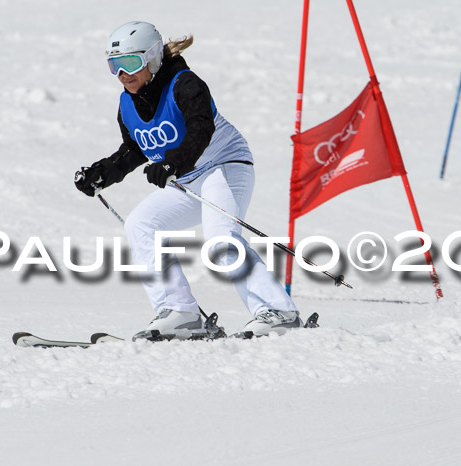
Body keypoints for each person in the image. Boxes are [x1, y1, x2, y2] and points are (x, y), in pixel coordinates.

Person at [75, 21, 301, 338]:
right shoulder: (128, 102)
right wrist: (101, 174)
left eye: (130, 63)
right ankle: (180, 312)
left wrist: (172, 163)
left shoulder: (185, 84)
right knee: (140, 224)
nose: (123, 74)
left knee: (221, 240)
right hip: (186, 178)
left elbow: (200, 129)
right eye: (115, 66)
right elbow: (134, 149)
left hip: (224, 165)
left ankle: (279, 312)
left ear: (152, 58)